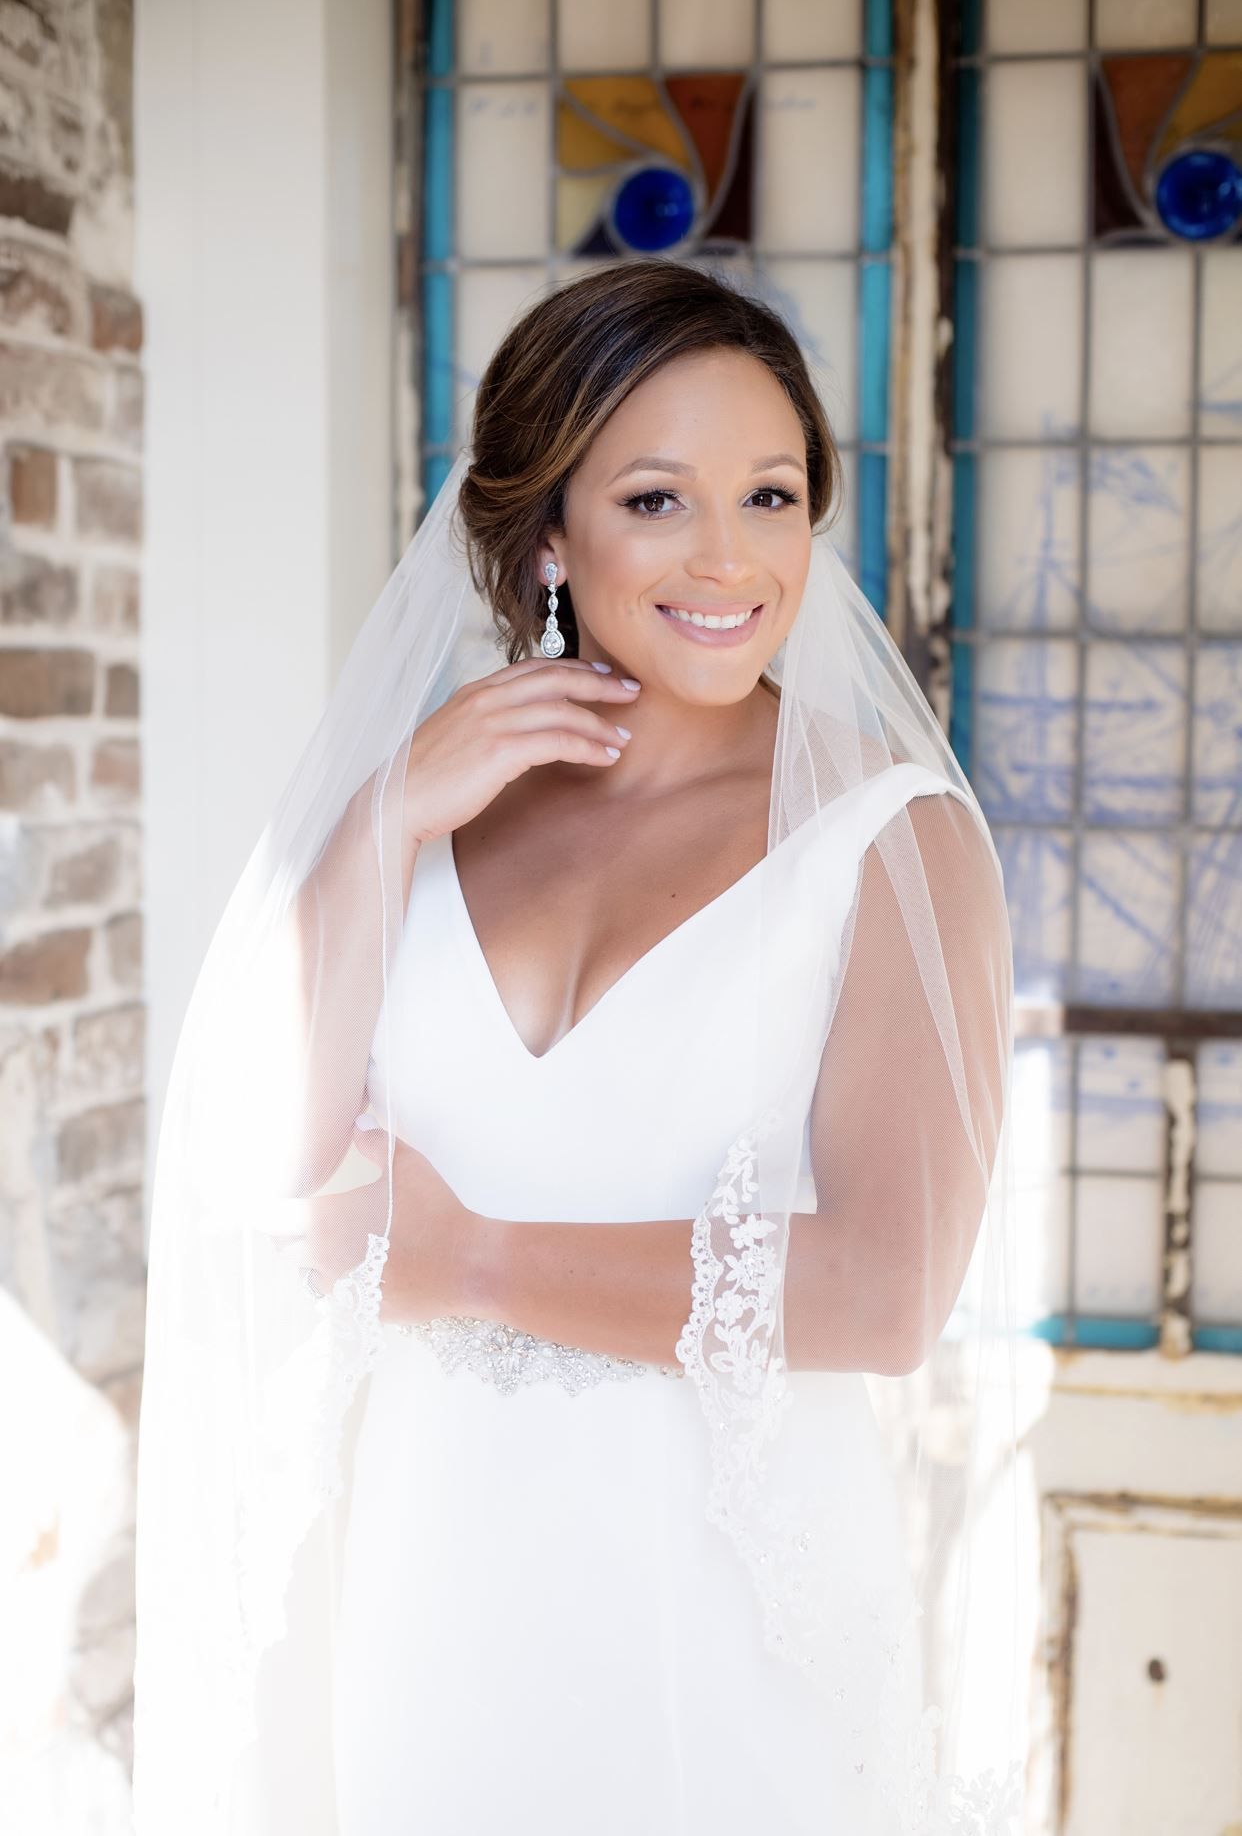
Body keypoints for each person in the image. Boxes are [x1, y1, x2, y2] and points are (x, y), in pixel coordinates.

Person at [131, 259, 1026, 1835]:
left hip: (719, 1613)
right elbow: (270, 1160)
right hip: (427, 1580)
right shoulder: (434, 805)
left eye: (767, 494)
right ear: (550, 532)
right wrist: (382, 814)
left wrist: (470, 1260)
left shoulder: (891, 836)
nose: (730, 558)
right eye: (656, 499)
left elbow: (888, 1294)